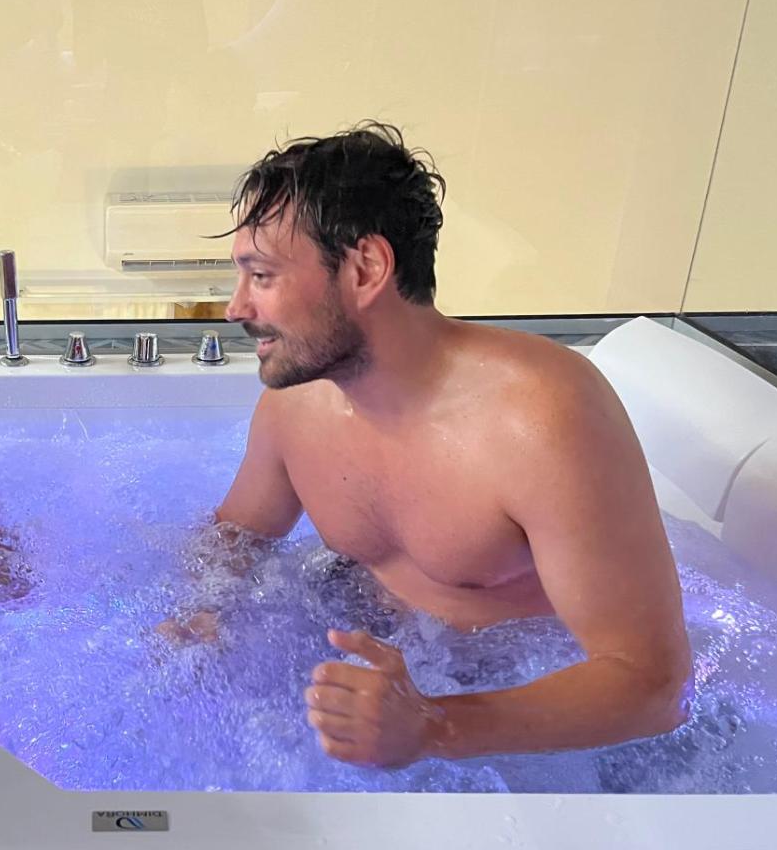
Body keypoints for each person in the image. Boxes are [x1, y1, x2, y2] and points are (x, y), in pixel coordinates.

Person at [180, 123, 691, 767]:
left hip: (524, 709)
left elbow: (654, 687)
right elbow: (236, 535)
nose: (235, 308)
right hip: (370, 661)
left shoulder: (541, 418)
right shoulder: (296, 402)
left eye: (261, 275)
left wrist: (433, 727)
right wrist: (200, 612)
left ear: (366, 269)